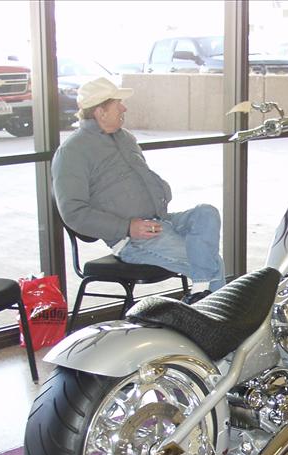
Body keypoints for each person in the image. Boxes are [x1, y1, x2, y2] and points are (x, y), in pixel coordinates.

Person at [52, 77, 225, 303]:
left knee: (206, 213)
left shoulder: (125, 138)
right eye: (118, 104)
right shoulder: (72, 152)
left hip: (161, 221)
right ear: (101, 112)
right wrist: (127, 227)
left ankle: (200, 296)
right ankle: (207, 307)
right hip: (131, 239)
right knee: (212, 262)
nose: (124, 108)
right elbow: (73, 213)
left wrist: (161, 192)